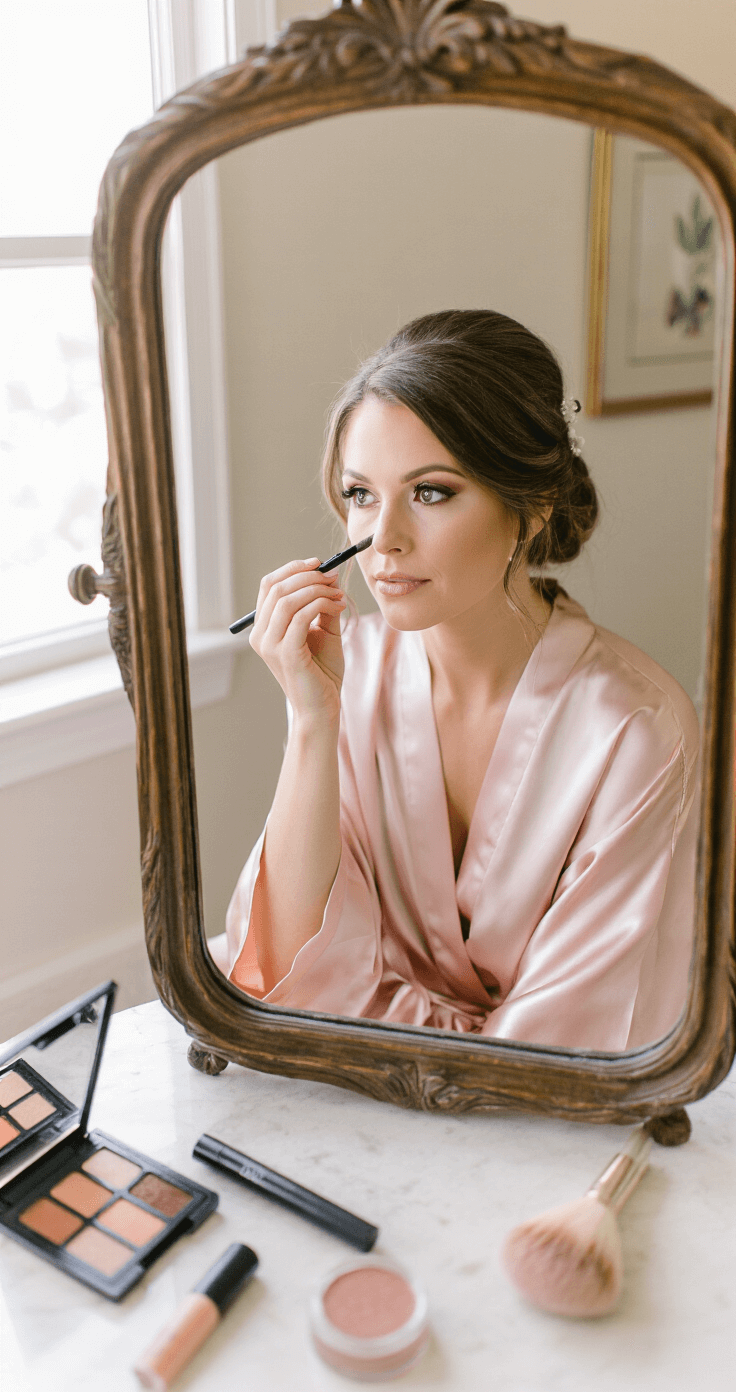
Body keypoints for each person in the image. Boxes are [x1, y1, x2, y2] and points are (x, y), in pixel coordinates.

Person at [213, 310, 699, 1051]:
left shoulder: (636, 728)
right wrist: (311, 720)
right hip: (350, 1097)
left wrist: (366, 1002)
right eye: (360, 495)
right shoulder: (349, 672)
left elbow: (567, 1047)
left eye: (431, 492)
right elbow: (279, 973)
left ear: (532, 506)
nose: (384, 540)